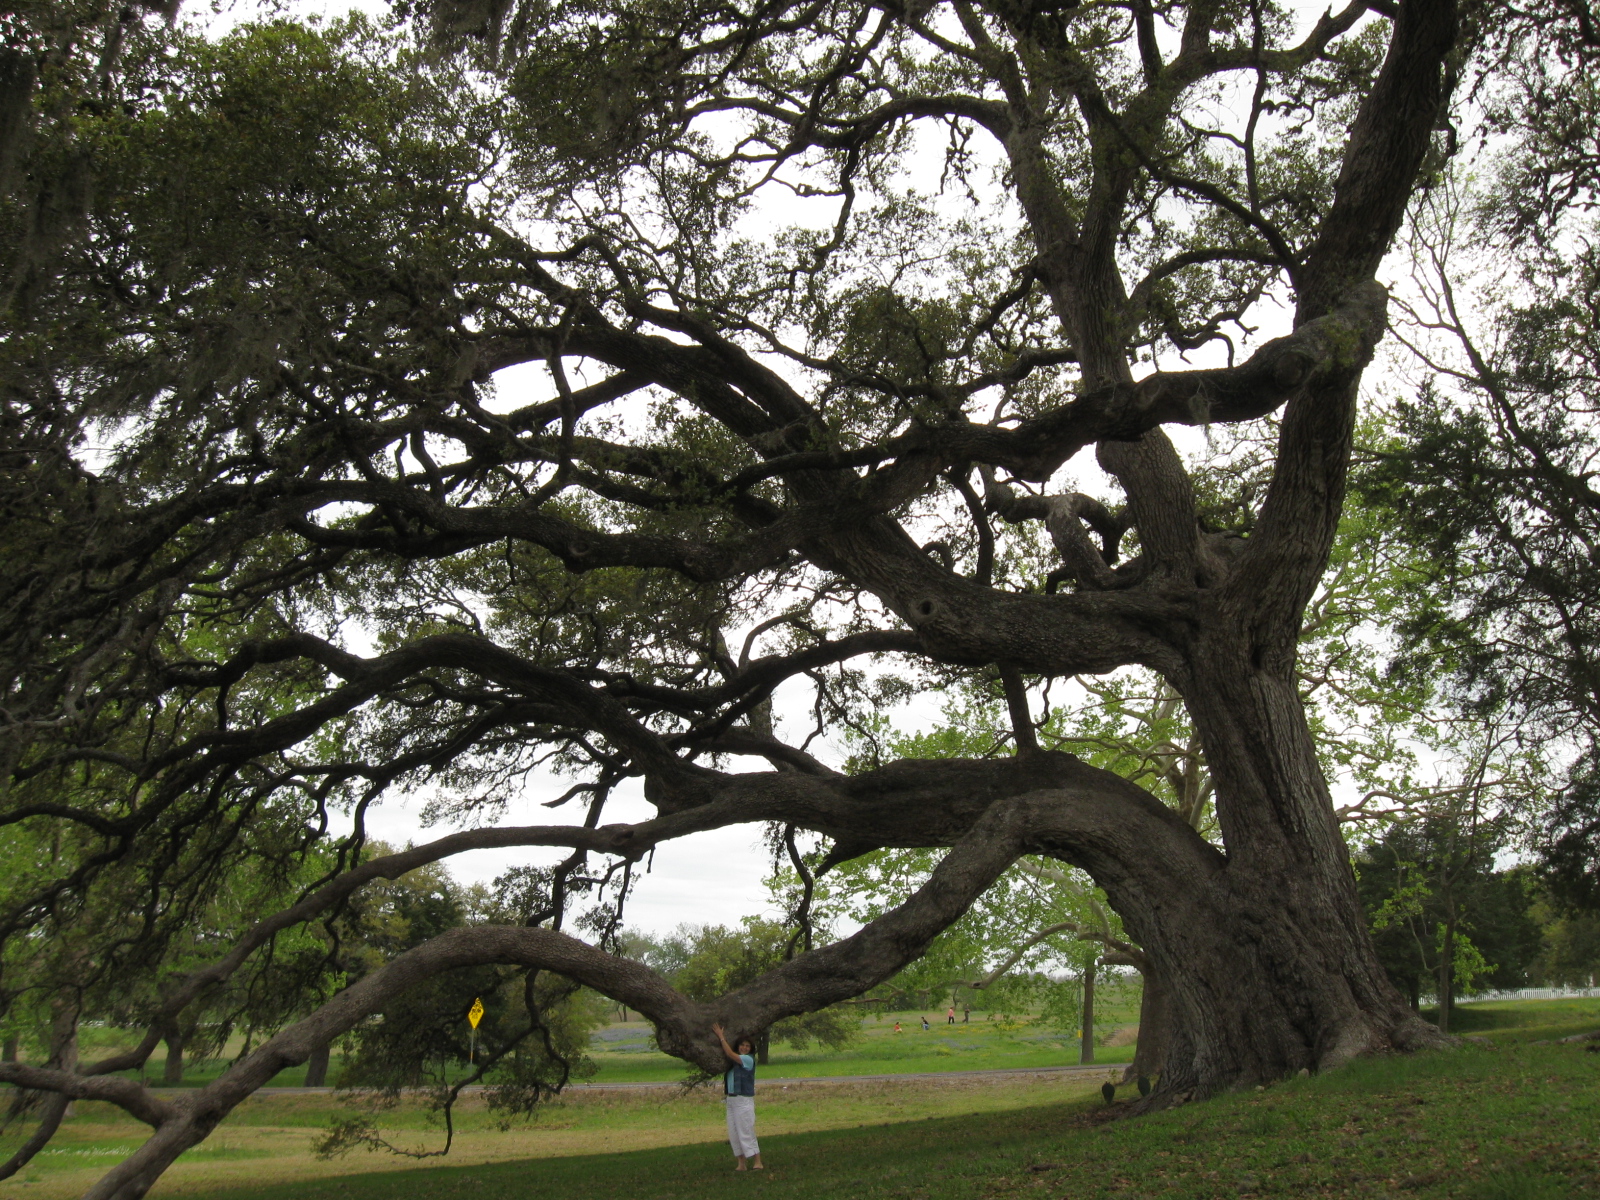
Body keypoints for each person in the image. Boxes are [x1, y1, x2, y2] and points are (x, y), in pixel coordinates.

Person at [712, 1022, 763, 1171]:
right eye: (742, 1045)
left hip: (743, 1100)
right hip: (731, 1100)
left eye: (747, 1046)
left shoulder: (748, 1060)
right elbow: (728, 1055)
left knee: (746, 1131)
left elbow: (729, 1053)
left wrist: (721, 1036)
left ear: (751, 1049)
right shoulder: (732, 1063)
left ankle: (757, 1161)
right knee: (734, 1133)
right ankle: (741, 1163)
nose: (744, 1048)